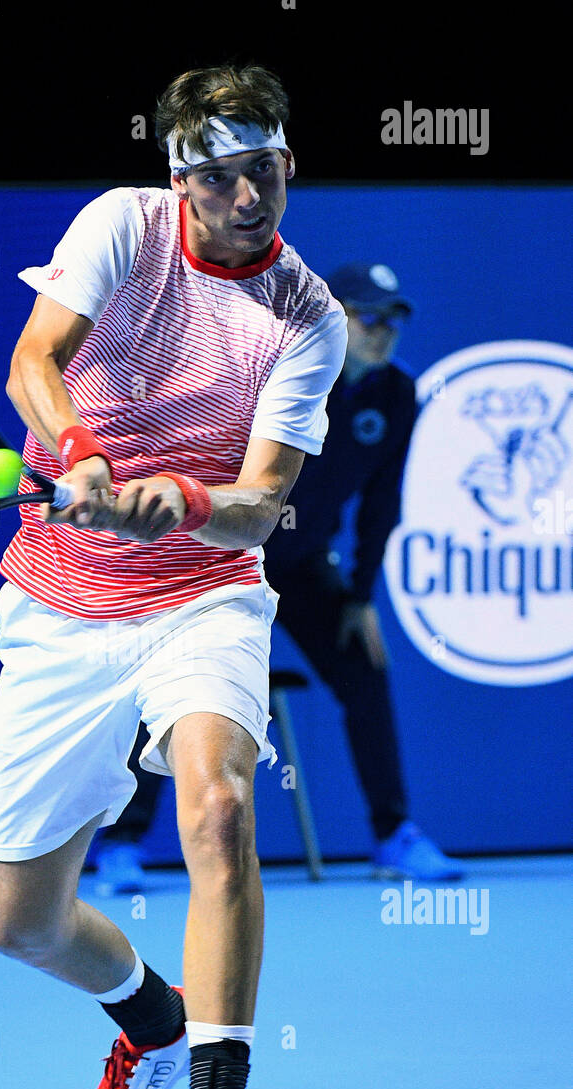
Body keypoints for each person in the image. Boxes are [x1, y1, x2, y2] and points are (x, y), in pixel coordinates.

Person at [0, 62, 347, 1089]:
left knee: (219, 807)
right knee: (22, 923)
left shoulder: (308, 317)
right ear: (182, 179)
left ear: (289, 161)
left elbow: (256, 506)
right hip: (60, 606)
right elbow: (32, 361)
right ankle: (146, 1019)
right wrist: (82, 452)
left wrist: (175, 500)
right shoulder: (120, 228)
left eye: (270, 167)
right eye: (226, 175)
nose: (253, 194)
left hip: (203, 595)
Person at [93, 263, 465, 891]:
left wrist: (359, 595)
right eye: (367, 316)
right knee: (171, 682)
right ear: (334, 316)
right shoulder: (280, 375)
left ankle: (394, 835)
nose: (383, 331)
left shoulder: (396, 396)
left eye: (393, 319)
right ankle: (122, 844)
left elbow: (381, 503)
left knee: (365, 671)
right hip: (222, 558)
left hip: (304, 565)